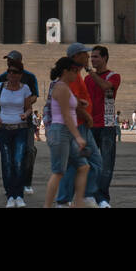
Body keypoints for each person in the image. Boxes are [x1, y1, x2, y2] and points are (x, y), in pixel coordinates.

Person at [53, 43, 103, 207]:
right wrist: (86, 115)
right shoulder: (71, 76)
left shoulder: (78, 74)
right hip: (78, 126)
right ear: (75, 57)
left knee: (77, 165)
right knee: (89, 162)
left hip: (80, 125)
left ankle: (71, 198)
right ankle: (78, 197)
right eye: (84, 54)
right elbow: (71, 102)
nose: (88, 57)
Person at [45, 56, 92, 208]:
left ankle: (78, 203)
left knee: (83, 166)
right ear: (66, 71)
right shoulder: (61, 87)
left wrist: (80, 103)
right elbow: (65, 115)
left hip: (66, 132)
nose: (77, 75)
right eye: (75, 71)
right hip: (60, 132)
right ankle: (47, 206)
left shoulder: (65, 87)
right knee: (58, 171)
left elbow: (69, 107)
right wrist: (78, 137)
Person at [0, 50, 41, 197]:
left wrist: (24, 99)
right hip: (5, 121)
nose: (9, 63)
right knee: (9, 157)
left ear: (20, 62)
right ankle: (10, 184)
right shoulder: (2, 78)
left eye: (12, 60)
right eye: (8, 61)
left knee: (28, 151)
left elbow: (34, 96)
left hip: (24, 122)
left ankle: (26, 183)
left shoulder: (29, 77)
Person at [86, 45, 122, 207]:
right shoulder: (87, 79)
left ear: (105, 58)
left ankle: (103, 198)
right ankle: (92, 195)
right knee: (90, 164)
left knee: (107, 164)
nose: (93, 60)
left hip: (107, 125)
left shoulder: (114, 76)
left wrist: (92, 74)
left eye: (96, 57)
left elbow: (106, 87)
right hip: (91, 124)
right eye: (91, 57)